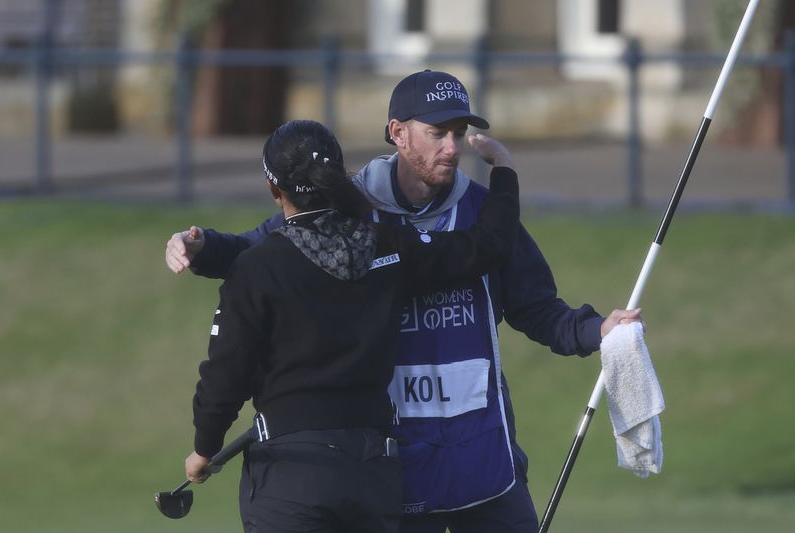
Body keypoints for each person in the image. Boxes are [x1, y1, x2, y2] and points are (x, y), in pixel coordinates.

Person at [168, 71, 641, 533]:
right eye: (437, 133)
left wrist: (594, 331)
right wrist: (200, 246)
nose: (452, 148)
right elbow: (263, 252)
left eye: (459, 134)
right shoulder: (343, 208)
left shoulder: (483, 212)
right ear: (397, 132)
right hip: (391, 469)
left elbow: (535, 305)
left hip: (483, 461)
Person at [182, 118, 523, 533]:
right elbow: (487, 247)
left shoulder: (255, 268)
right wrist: (503, 171)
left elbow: (225, 376)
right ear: (338, 179)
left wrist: (204, 449)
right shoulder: (387, 247)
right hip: (372, 473)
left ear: (276, 190)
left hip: (290, 477)